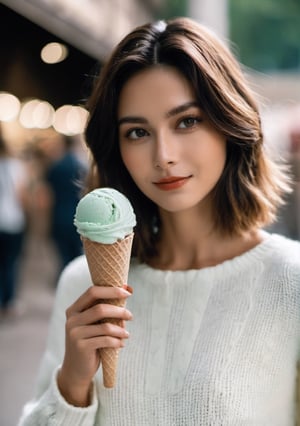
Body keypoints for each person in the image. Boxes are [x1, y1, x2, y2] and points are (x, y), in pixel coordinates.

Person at [18, 17, 300, 425]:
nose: (163, 154)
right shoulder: (84, 285)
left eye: (187, 121)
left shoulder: (290, 282)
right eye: (137, 132)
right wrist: (71, 385)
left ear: (229, 124)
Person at [45, 134, 87, 275]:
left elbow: (47, 196)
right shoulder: (81, 166)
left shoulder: (56, 167)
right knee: (77, 255)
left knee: (63, 255)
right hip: (78, 216)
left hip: (59, 214)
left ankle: (65, 279)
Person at [0, 130, 28, 319]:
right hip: (12, 220)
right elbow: (21, 195)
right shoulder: (15, 166)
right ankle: (7, 301)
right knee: (10, 262)